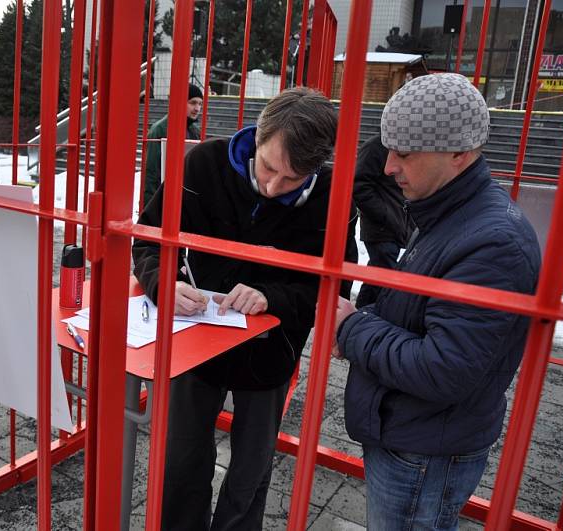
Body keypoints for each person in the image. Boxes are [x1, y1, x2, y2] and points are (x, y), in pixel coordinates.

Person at [133, 87, 357, 530]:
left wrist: (273, 295)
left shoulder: (334, 195)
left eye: (291, 180)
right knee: (180, 459)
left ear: (316, 168)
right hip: (194, 339)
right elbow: (149, 240)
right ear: (257, 137)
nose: (273, 187)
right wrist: (164, 282)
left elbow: (334, 286)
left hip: (271, 348)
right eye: (269, 167)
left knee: (251, 469)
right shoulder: (204, 164)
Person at [332, 73, 541, 530]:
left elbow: (443, 368)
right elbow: (418, 313)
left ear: (459, 154)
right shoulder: (446, 212)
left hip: (424, 449)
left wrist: (352, 328)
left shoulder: (493, 243)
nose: (387, 167)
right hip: (414, 434)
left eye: (404, 153)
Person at [353, 133, 415, 307]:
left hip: (395, 223)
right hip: (381, 226)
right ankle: (371, 313)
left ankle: (362, 312)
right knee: (384, 274)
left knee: (378, 273)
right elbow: (358, 185)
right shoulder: (376, 146)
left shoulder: (397, 145)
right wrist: (384, 215)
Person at [142, 83, 203, 209]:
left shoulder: (195, 131)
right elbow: (151, 173)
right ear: (180, 102)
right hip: (163, 198)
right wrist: (151, 208)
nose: (197, 108)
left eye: (200, 104)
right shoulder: (159, 130)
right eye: (192, 103)